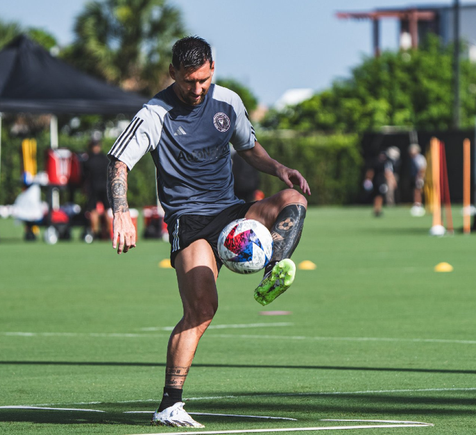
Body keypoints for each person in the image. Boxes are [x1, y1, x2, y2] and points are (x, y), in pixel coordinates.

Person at [106, 36, 310, 428]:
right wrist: (121, 213)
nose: (196, 89)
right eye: (187, 81)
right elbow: (119, 162)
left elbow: (248, 147)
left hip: (232, 213)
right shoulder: (154, 113)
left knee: (291, 199)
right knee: (201, 311)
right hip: (191, 223)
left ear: (212, 68)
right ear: (172, 74)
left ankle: (274, 270)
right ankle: (169, 404)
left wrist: (279, 168)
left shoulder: (228, 102)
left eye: (202, 80)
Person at [82, 136, 111, 239]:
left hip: (93, 187)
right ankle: (107, 233)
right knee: (107, 210)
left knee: (93, 211)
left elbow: (84, 176)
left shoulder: (87, 159)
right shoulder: (105, 158)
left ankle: (95, 233)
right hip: (104, 186)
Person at [363, 151, 395, 217]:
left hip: (379, 181)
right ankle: (377, 209)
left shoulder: (382, 162)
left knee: (379, 195)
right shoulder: (379, 163)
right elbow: (372, 172)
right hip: (379, 182)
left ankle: (377, 209)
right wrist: (368, 180)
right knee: (378, 195)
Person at [409, 144, 426, 217]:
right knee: (415, 190)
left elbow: (422, 168)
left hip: (418, 177)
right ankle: (416, 203)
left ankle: (418, 204)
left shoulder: (420, 158)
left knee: (418, 191)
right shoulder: (413, 158)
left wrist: (420, 177)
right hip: (414, 177)